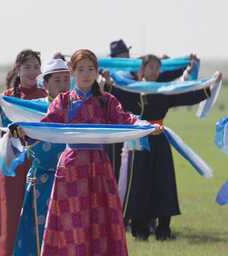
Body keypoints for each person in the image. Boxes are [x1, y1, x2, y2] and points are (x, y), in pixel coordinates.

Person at [35, 49, 162, 255]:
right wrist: (22, 131)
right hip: (71, 168)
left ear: (97, 72)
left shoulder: (107, 101)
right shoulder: (64, 101)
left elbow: (126, 119)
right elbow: (45, 125)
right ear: (72, 71)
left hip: (99, 167)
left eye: (91, 69)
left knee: (101, 220)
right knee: (72, 221)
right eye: (81, 69)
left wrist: (146, 126)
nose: (86, 74)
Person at [104, 54, 222, 241]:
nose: (154, 71)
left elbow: (187, 95)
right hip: (138, 143)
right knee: (138, 186)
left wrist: (211, 85)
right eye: (150, 67)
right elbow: (110, 95)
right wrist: (108, 83)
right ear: (141, 70)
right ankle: (140, 230)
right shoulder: (129, 89)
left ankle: (164, 230)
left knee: (164, 183)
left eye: (157, 68)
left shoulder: (164, 90)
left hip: (159, 141)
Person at [10, 58, 71, 255]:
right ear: (45, 84)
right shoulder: (32, 109)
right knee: (37, 233)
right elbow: (6, 117)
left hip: (72, 179)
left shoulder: (79, 108)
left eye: (66, 80)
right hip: (41, 181)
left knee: (70, 231)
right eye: (57, 80)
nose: (63, 85)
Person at [0, 49, 46, 256]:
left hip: (38, 162)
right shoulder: (6, 98)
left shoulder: (45, 98)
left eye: (36, 67)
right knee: (11, 214)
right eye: (27, 67)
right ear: (18, 70)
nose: (32, 71)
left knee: (35, 212)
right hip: (12, 166)